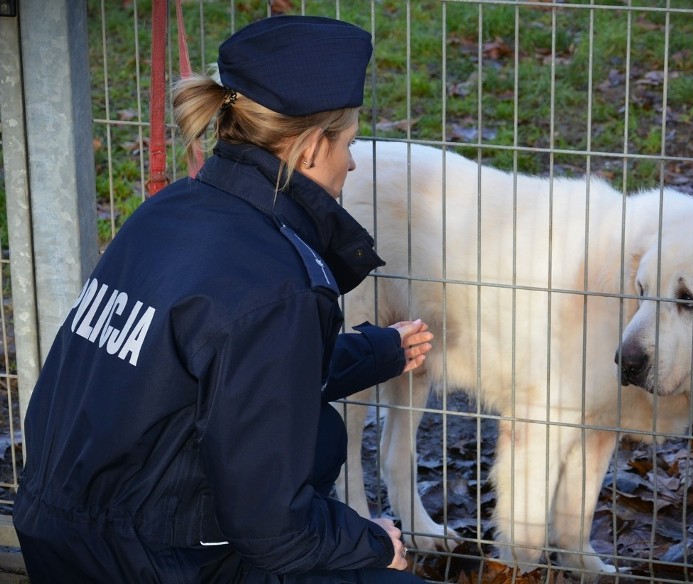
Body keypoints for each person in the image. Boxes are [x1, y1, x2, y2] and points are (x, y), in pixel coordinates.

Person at [13, 15, 432, 584]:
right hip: (156, 563)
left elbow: (221, 379)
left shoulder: (171, 212)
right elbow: (272, 530)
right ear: (311, 148)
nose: (352, 164)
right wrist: (371, 543)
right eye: (349, 144)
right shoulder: (277, 282)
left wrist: (375, 351)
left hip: (66, 536)